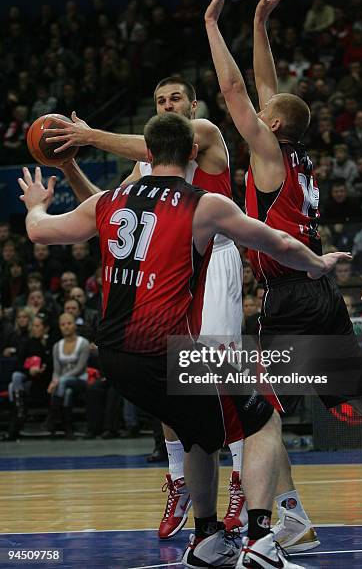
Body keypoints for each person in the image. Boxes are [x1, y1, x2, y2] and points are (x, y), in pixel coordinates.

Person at [19, 113, 351, 569]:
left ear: (147, 155)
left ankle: (207, 538)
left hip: (115, 358)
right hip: (166, 353)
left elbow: (40, 230)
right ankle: (258, 540)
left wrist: (37, 202)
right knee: (264, 420)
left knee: (198, 433)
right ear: (193, 153)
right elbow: (279, 243)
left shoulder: (111, 201)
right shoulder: (204, 204)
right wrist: (317, 263)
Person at [205, 0, 362, 566]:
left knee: (261, 410)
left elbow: (232, 89)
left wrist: (213, 26)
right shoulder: (292, 151)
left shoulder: (269, 154)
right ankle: (293, 521)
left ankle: (271, 530)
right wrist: (259, 27)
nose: (259, 104)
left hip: (291, 296)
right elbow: (267, 86)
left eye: (262, 111)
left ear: (270, 126)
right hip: (320, 290)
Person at [44, 81, 246, 536]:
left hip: (215, 261)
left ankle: (240, 479)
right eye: (159, 101)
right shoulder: (145, 165)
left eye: (175, 99)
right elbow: (108, 210)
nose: (168, 106)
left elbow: (162, 142)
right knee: (166, 373)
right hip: (169, 268)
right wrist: (72, 165)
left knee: (215, 377)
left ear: (192, 106)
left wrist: (90, 135)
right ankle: (179, 480)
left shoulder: (207, 135)